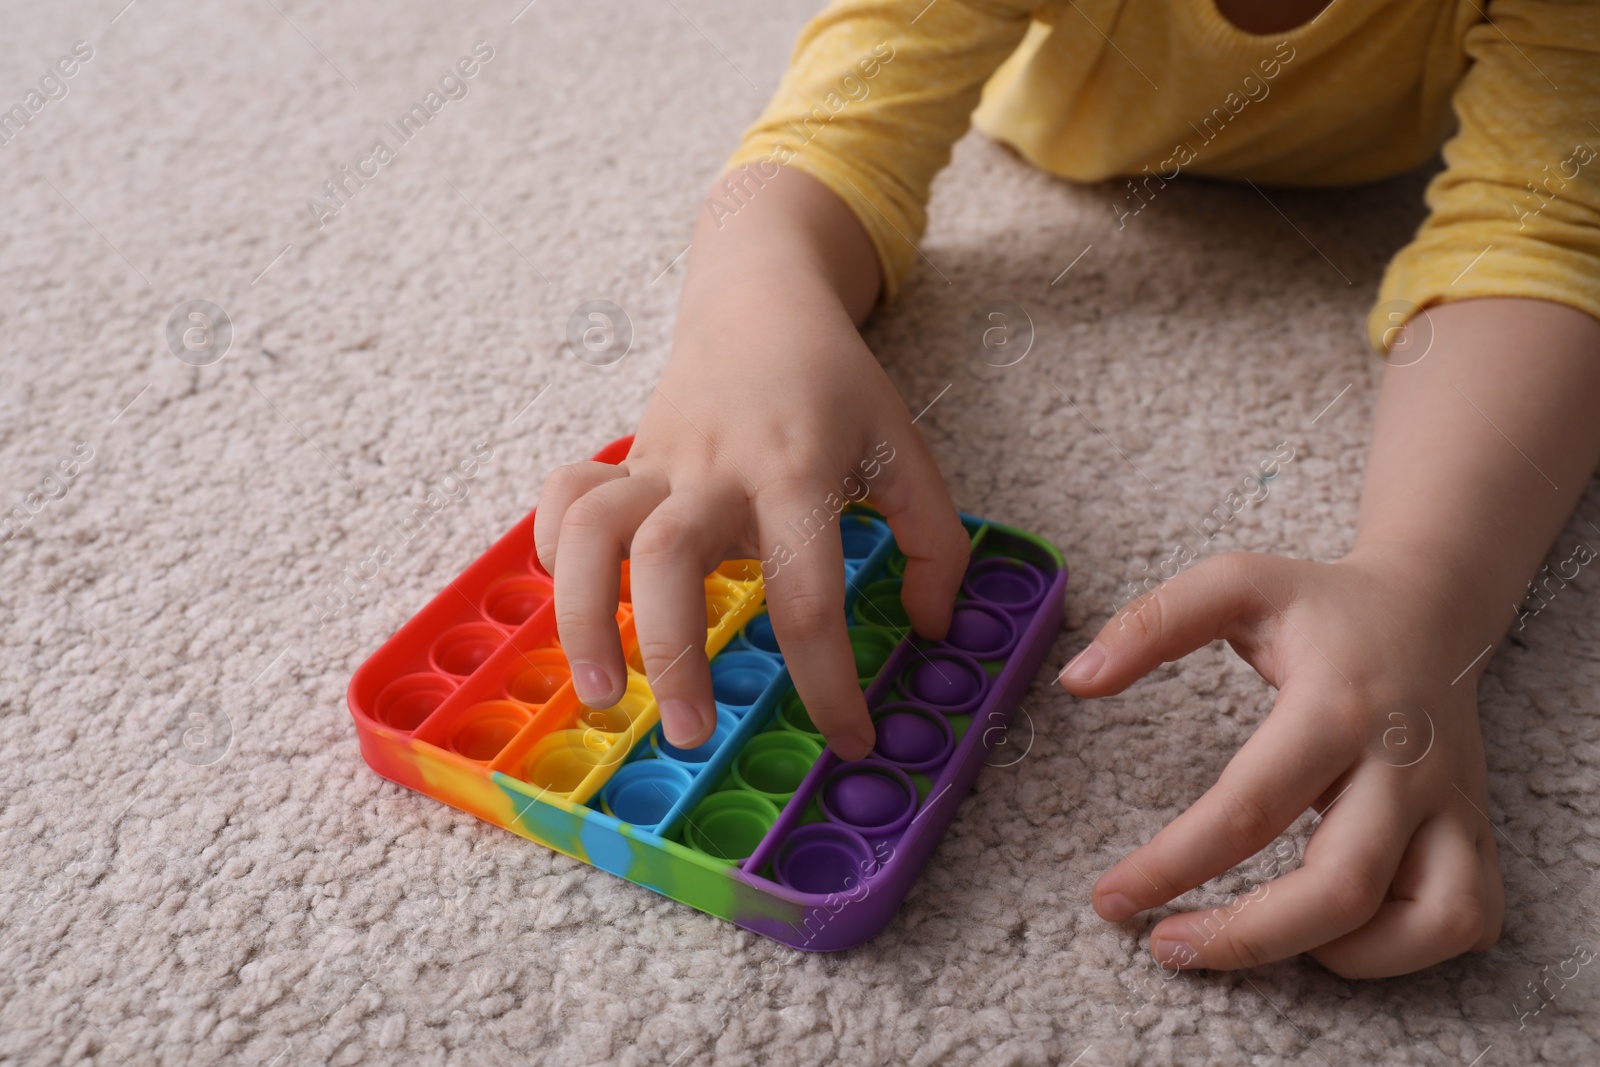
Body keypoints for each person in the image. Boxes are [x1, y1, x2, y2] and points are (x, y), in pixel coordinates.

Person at [533, 0, 1600, 977]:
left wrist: (1429, 584)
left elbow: (1544, 227)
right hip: (1045, 120)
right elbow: (832, 135)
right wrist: (747, 311)